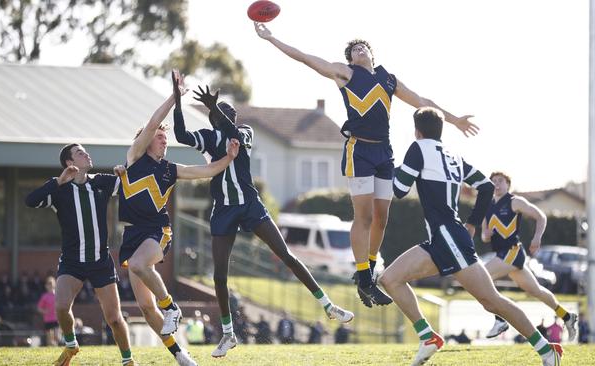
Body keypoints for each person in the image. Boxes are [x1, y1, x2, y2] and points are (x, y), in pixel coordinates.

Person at [254, 22, 479, 308]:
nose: (358, 49)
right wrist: (272, 38)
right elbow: (307, 59)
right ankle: (363, 277)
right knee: (363, 217)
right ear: (350, 59)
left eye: (362, 47)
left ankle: (369, 270)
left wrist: (455, 119)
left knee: (381, 217)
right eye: (353, 50)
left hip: (384, 152)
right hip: (359, 150)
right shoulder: (346, 74)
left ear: (371, 53)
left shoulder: (388, 79)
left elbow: (423, 101)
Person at [171, 74, 354, 358]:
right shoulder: (208, 137)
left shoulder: (244, 131)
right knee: (220, 275)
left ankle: (328, 306)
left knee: (287, 256)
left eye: (227, 110)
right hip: (224, 209)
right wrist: (177, 99)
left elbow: (233, 131)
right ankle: (229, 333)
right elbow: (181, 135)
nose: (225, 112)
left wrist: (215, 108)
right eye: (220, 110)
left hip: (250, 205)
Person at [378, 107, 562, 366]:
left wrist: (385, 165)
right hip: (442, 239)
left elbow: (398, 189)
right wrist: (473, 223)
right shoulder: (452, 154)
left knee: (492, 301)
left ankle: (546, 349)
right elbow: (485, 187)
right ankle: (427, 336)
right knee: (391, 278)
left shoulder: (418, 148)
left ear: (417, 131)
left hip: (449, 239)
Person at [114, 70, 240, 366]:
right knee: (145, 308)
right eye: (159, 137)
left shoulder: (171, 168)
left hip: (157, 230)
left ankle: (171, 307)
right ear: (145, 141)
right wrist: (175, 96)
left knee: (139, 264)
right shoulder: (134, 158)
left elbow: (205, 171)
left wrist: (229, 159)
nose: (163, 140)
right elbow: (154, 121)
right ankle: (180, 355)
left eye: (165, 137)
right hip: (132, 234)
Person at [25, 144, 136, 366]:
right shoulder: (59, 189)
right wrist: (58, 180)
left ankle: (128, 360)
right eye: (80, 153)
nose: (86, 154)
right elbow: (30, 201)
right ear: (69, 162)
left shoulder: (100, 182)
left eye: (85, 151)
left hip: (100, 261)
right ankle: (70, 344)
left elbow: (131, 182)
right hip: (72, 261)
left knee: (114, 318)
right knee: (61, 307)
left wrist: (124, 170)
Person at [482, 171, 578, 341]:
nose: (496, 184)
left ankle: (500, 318)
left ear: (508, 184)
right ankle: (567, 316)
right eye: (493, 181)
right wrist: (486, 235)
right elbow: (484, 235)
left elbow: (540, 216)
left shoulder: (514, 201)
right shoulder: (487, 207)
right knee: (537, 291)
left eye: (500, 181)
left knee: (481, 278)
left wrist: (537, 237)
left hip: (513, 252)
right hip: (503, 255)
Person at [37, 276, 59, 347]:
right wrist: (45, 311)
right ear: (46, 286)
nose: (50, 285)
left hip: (57, 319)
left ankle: (56, 347)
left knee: (57, 336)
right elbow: (39, 308)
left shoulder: (58, 295)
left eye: (51, 283)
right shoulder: (44, 296)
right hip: (48, 319)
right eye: (48, 284)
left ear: (54, 284)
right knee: (49, 338)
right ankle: (50, 348)